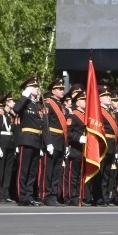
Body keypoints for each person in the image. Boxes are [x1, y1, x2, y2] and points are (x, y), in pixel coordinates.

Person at [14, 75, 46, 206]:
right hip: (26, 139)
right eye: (34, 87)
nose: (37, 89)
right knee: (23, 170)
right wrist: (24, 96)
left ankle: (29, 195)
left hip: (36, 141)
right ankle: (22, 196)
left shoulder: (36, 105)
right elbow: (16, 109)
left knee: (32, 171)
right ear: (28, 89)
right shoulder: (24, 103)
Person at [41, 77, 67, 206]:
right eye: (59, 89)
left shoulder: (60, 105)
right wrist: (48, 142)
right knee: (49, 170)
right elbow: (45, 124)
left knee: (57, 171)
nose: (62, 91)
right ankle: (46, 195)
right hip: (52, 140)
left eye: (62, 89)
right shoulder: (48, 103)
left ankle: (53, 195)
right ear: (53, 90)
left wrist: (65, 144)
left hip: (60, 141)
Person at [65, 90, 90, 206]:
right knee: (73, 176)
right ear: (78, 102)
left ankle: (80, 196)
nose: (86, 102)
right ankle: (72, 197)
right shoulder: (73, 116)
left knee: (81, 176)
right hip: (75, 149)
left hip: (84, 150)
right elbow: (68, 133)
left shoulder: (87, 116)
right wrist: (79, 138)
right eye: (83, 100)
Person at [96, 86, 118, 207]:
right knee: (100, 172)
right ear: (99, 99)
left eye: (109, 96)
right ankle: (98, 197)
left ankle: (105, 197)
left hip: (111, 145)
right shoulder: (98, 111)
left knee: (107, 173)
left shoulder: (111, 112)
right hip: (103, 144)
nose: (109, 98)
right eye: (106, 96)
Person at [0, 93, 16, 203]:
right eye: (12, 101)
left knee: (8, 170)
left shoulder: (10, 116)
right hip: (2, 144)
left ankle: (6, 193)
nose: (14, 103)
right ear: (7, 103)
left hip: (10, 144)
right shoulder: (0, 116)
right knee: (1, 170)